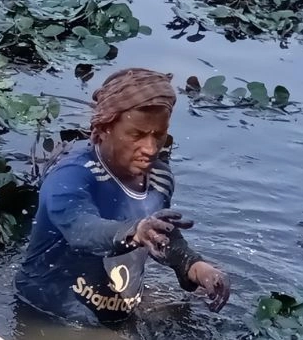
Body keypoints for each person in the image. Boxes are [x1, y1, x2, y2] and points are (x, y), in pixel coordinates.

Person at [15, 67, 231, 324]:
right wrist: (135, 231)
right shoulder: (71, 175)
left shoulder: (160, 179)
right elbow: (81, 229)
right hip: (49, 314)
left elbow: (159, 235)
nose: (150, 149)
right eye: (137, 135)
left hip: (118, 311)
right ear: (105, 128)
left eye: (159, 135)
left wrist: (194, 266)